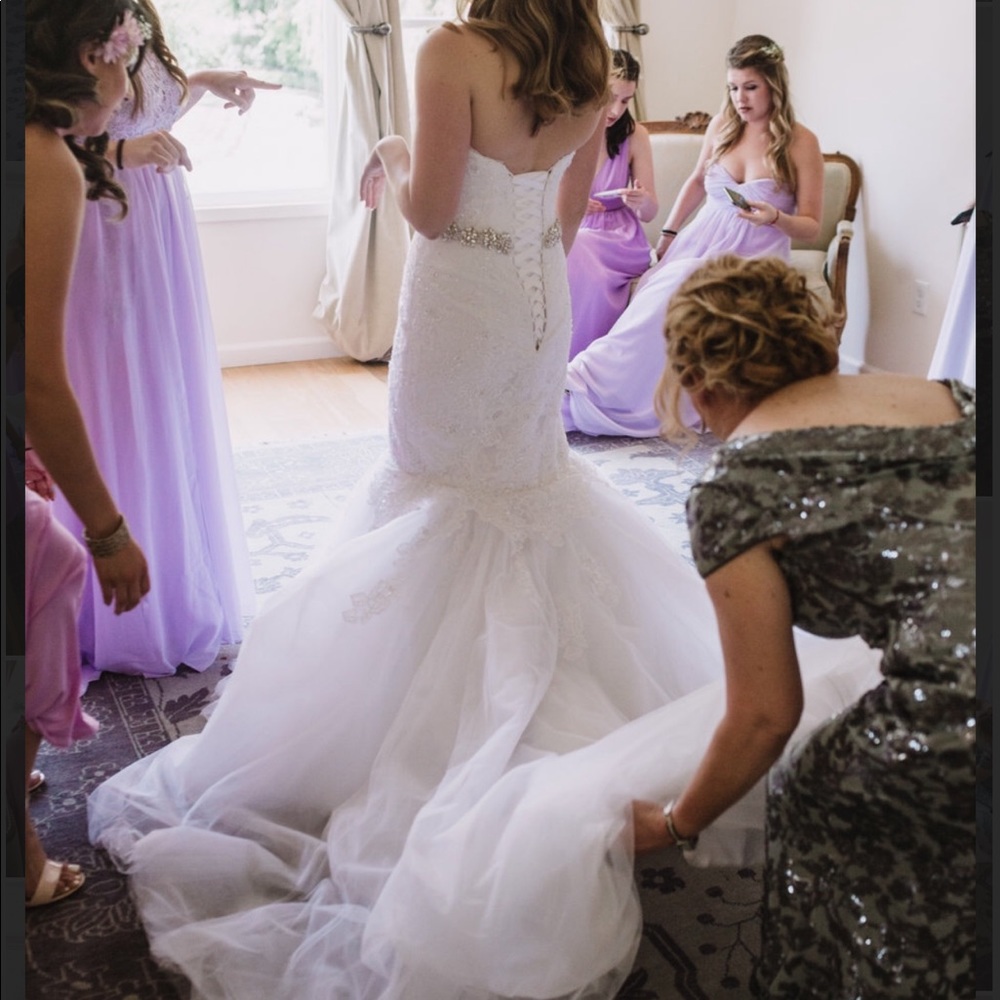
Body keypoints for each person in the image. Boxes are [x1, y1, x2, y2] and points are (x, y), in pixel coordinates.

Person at [86, 6, 878, 998]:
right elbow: (564, 214)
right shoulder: (586, 54)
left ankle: (409, 720)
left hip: (460, 294)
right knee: (520, 479)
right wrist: (523, 261)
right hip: (534, 288)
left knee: (433, 484)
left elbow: (427, 210)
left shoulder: (452, 50)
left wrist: (387, 150)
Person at [632, 255, 976, 997]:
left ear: (701, 384)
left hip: (958, 715)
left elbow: (764, 716)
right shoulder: (951, 395)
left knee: (814, 783)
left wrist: (676, 823)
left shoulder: (736, 484)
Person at [50, 0, 279, 681]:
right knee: (115, 400)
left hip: (155, 227)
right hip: (100, 222)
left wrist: (201, 82)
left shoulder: (132, 13)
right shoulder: (64, 16)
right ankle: (103, 602)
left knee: (161, 401)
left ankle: (173, 582)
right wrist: (121, 153)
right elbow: (45, 127)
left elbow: (142, 106)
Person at [22, 0, 152, 907]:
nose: (130, 82)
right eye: (126, 58)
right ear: (87, 55)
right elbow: (39, 377)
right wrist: (109, 532)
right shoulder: (45, 161)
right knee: (52, 566)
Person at [563, 34, 824, 436]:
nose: (740, 99)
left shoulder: (801, 143)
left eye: (751, 87)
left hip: (754, 253)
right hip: (700, 239)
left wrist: (775, 217)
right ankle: (590, 382)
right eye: (733, 88)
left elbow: (811, 224)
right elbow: (698, 181)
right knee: (659, 286)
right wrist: (667, 236)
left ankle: (601, 394)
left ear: (775, 85)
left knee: (681, 285)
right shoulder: (722, 126)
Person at [566, 48, 657, 360]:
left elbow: (651, 213)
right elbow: (540, 196)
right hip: (576, 229)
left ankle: (591, 361)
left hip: (621, 238)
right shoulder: (566, 128)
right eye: (612, 97)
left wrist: (641, 201)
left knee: (579, 249)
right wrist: (572, 205)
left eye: (626, 101)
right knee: (575, 245)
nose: (617, 109)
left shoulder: (635, 135)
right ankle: (569, 360)